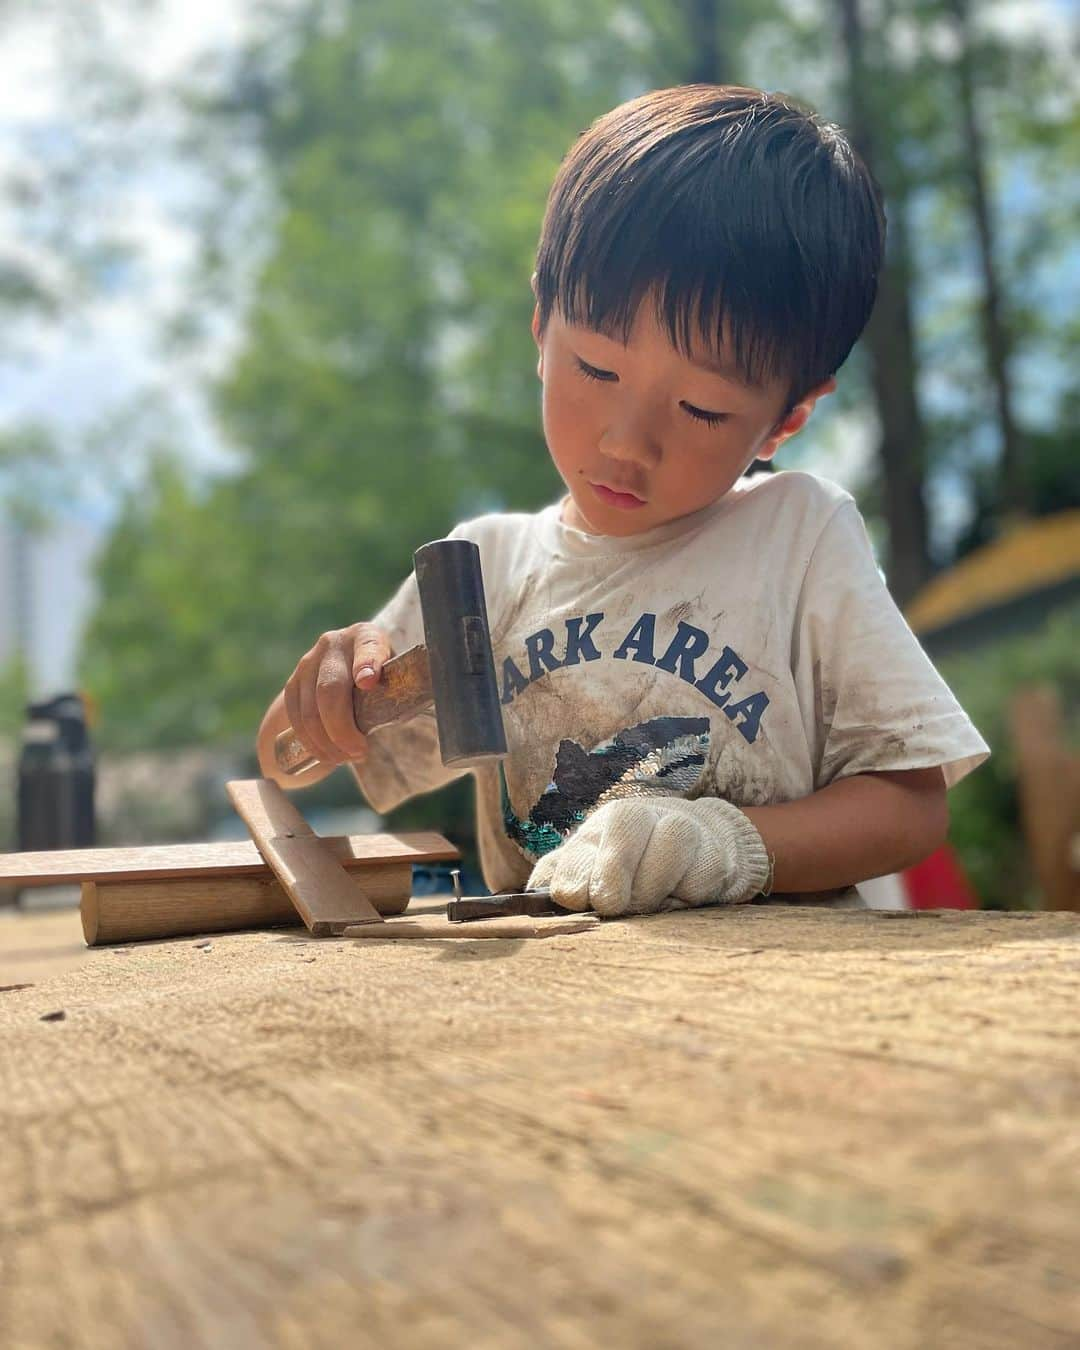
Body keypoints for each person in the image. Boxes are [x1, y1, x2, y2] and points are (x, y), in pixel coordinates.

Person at [256, 84, 988, 916]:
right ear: (541, 325)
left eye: (703, 410)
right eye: (596, 370)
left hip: (778, 990)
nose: (625, 443)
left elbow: (911, 806)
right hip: (551, 999)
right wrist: (323, 701)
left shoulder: (800, 538)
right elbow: (287, 765)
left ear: (787, 417)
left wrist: (729, 843)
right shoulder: (486, 571)